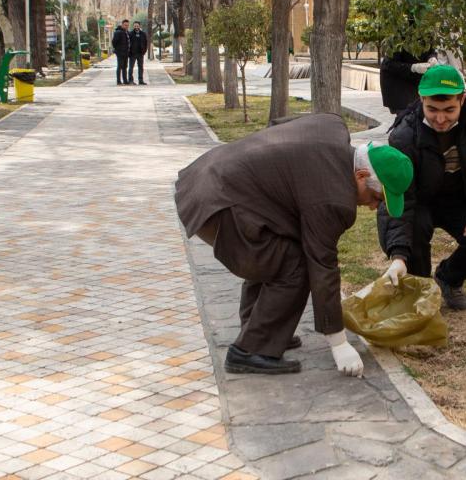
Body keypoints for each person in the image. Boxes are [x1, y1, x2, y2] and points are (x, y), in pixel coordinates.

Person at [175, 113, 413, 376]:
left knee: (276, 251)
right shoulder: (334, 200)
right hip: (219, 205)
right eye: (377, 197)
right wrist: (339, 343)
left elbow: (277, 124)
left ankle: (262, 330)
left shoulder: (331, 126)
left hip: (210, 174)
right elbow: (322, 266)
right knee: (294, 265)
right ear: (361, 175)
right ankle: (250, 350)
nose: (373, 206)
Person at [378, 65, 466, 311]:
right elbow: (401, 199)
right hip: (419, 201)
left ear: (462, 99)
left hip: (462, 199)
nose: (440, 119)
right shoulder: (403, 137)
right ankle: (419, 291)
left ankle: (449, 279)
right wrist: (399, 255)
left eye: (449, 110)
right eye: (432, 109)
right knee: (414, 234)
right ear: (421, 99)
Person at [379, 47, 439, 114]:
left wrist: (432, 58)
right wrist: (413, 67)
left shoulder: (428, 40)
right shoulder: (395, 42)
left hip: (417, 80)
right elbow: (389, 64)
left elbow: (431, 51)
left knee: (419, 112)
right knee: (407, 114)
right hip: (398, 83)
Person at [111, 19, 131, 85]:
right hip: (120, 52)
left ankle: (125, 80)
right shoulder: (118, 32)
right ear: (122, 25)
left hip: (126, 52)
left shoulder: (127, 32)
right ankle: (118, 81)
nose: (126, 26)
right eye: (125, 25)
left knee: (125, 67)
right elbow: (114, 42)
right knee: (120, 66)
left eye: (127, 25)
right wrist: (118, 49)